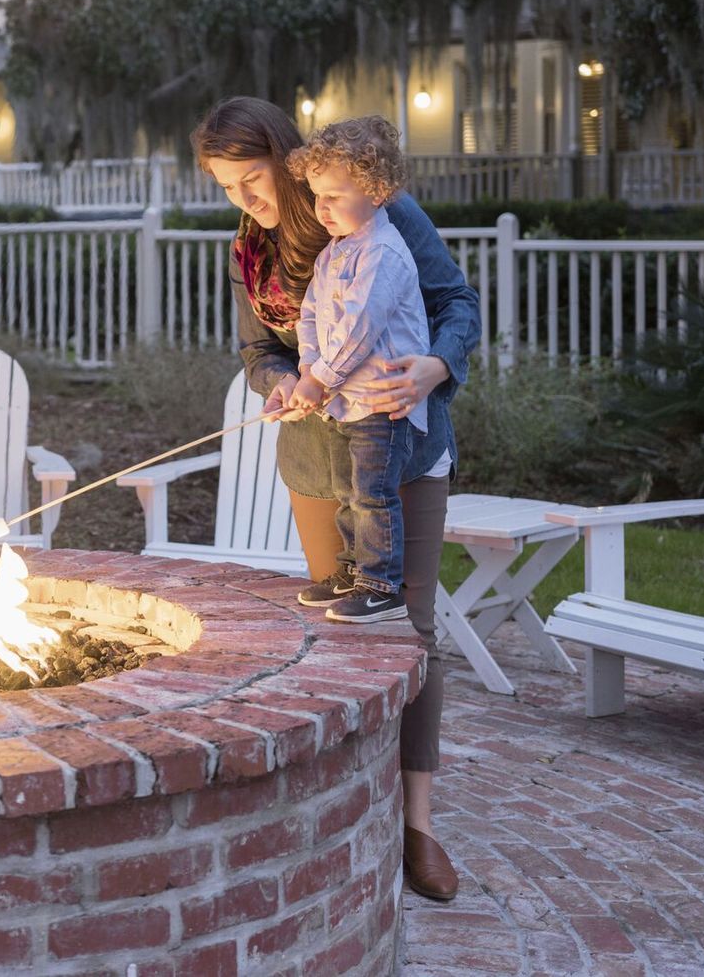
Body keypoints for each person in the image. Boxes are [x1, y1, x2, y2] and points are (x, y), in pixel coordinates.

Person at [194, 95, 479, 904]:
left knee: (407, 632)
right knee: (341, 635)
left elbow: (458, 305)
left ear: (286, 160)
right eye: (225, 187)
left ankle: (417, 823)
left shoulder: (372, 210)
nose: (244, 202)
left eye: (251, 180)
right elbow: (256, 350)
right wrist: (282, 380)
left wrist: (434, 366)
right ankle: (353, 807)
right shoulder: (249, 250)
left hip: (401, 450)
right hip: (317, 459)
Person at [281, 117, 429, 624]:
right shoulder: (333, 253)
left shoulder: (382, 253)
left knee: (373, 493)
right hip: (345, 401)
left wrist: (321, 377)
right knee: (348, 490)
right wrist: (306, 367)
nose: (322, 208)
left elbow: (360, 328)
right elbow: (310, 314)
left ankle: (381, 584)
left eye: (335, 196)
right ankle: (352, 570)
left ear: (376, 190)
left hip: (381, 401)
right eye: (317, 195)